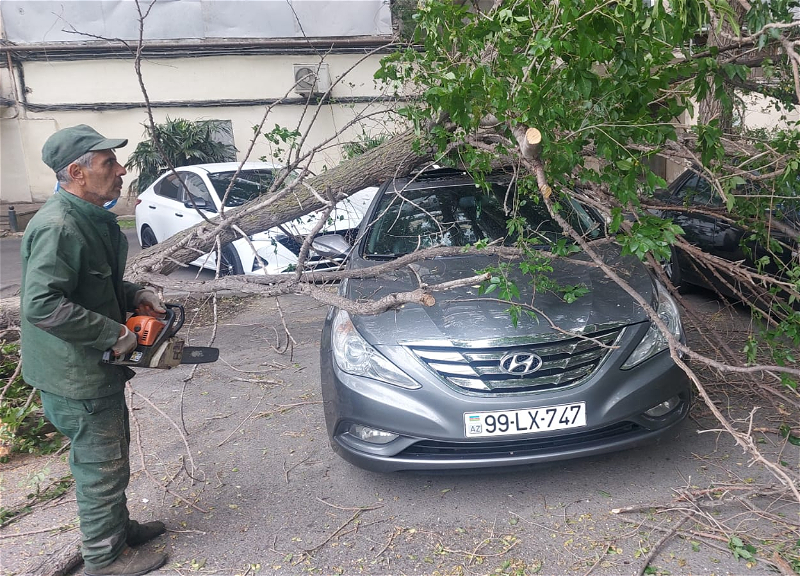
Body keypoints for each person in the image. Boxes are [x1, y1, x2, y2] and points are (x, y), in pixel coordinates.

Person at [20, 125, 168, 576]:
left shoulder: (87, 215)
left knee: (111, 455)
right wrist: (112, 333)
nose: (121, 171)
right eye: (109, 163)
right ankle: (105, 559)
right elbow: (42, 304)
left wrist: (133, 294)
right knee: (101, 466)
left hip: (88, 369)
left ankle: (116, 528)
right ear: (77, 172)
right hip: (76, 374)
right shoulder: (60, 225)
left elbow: (92, 281)